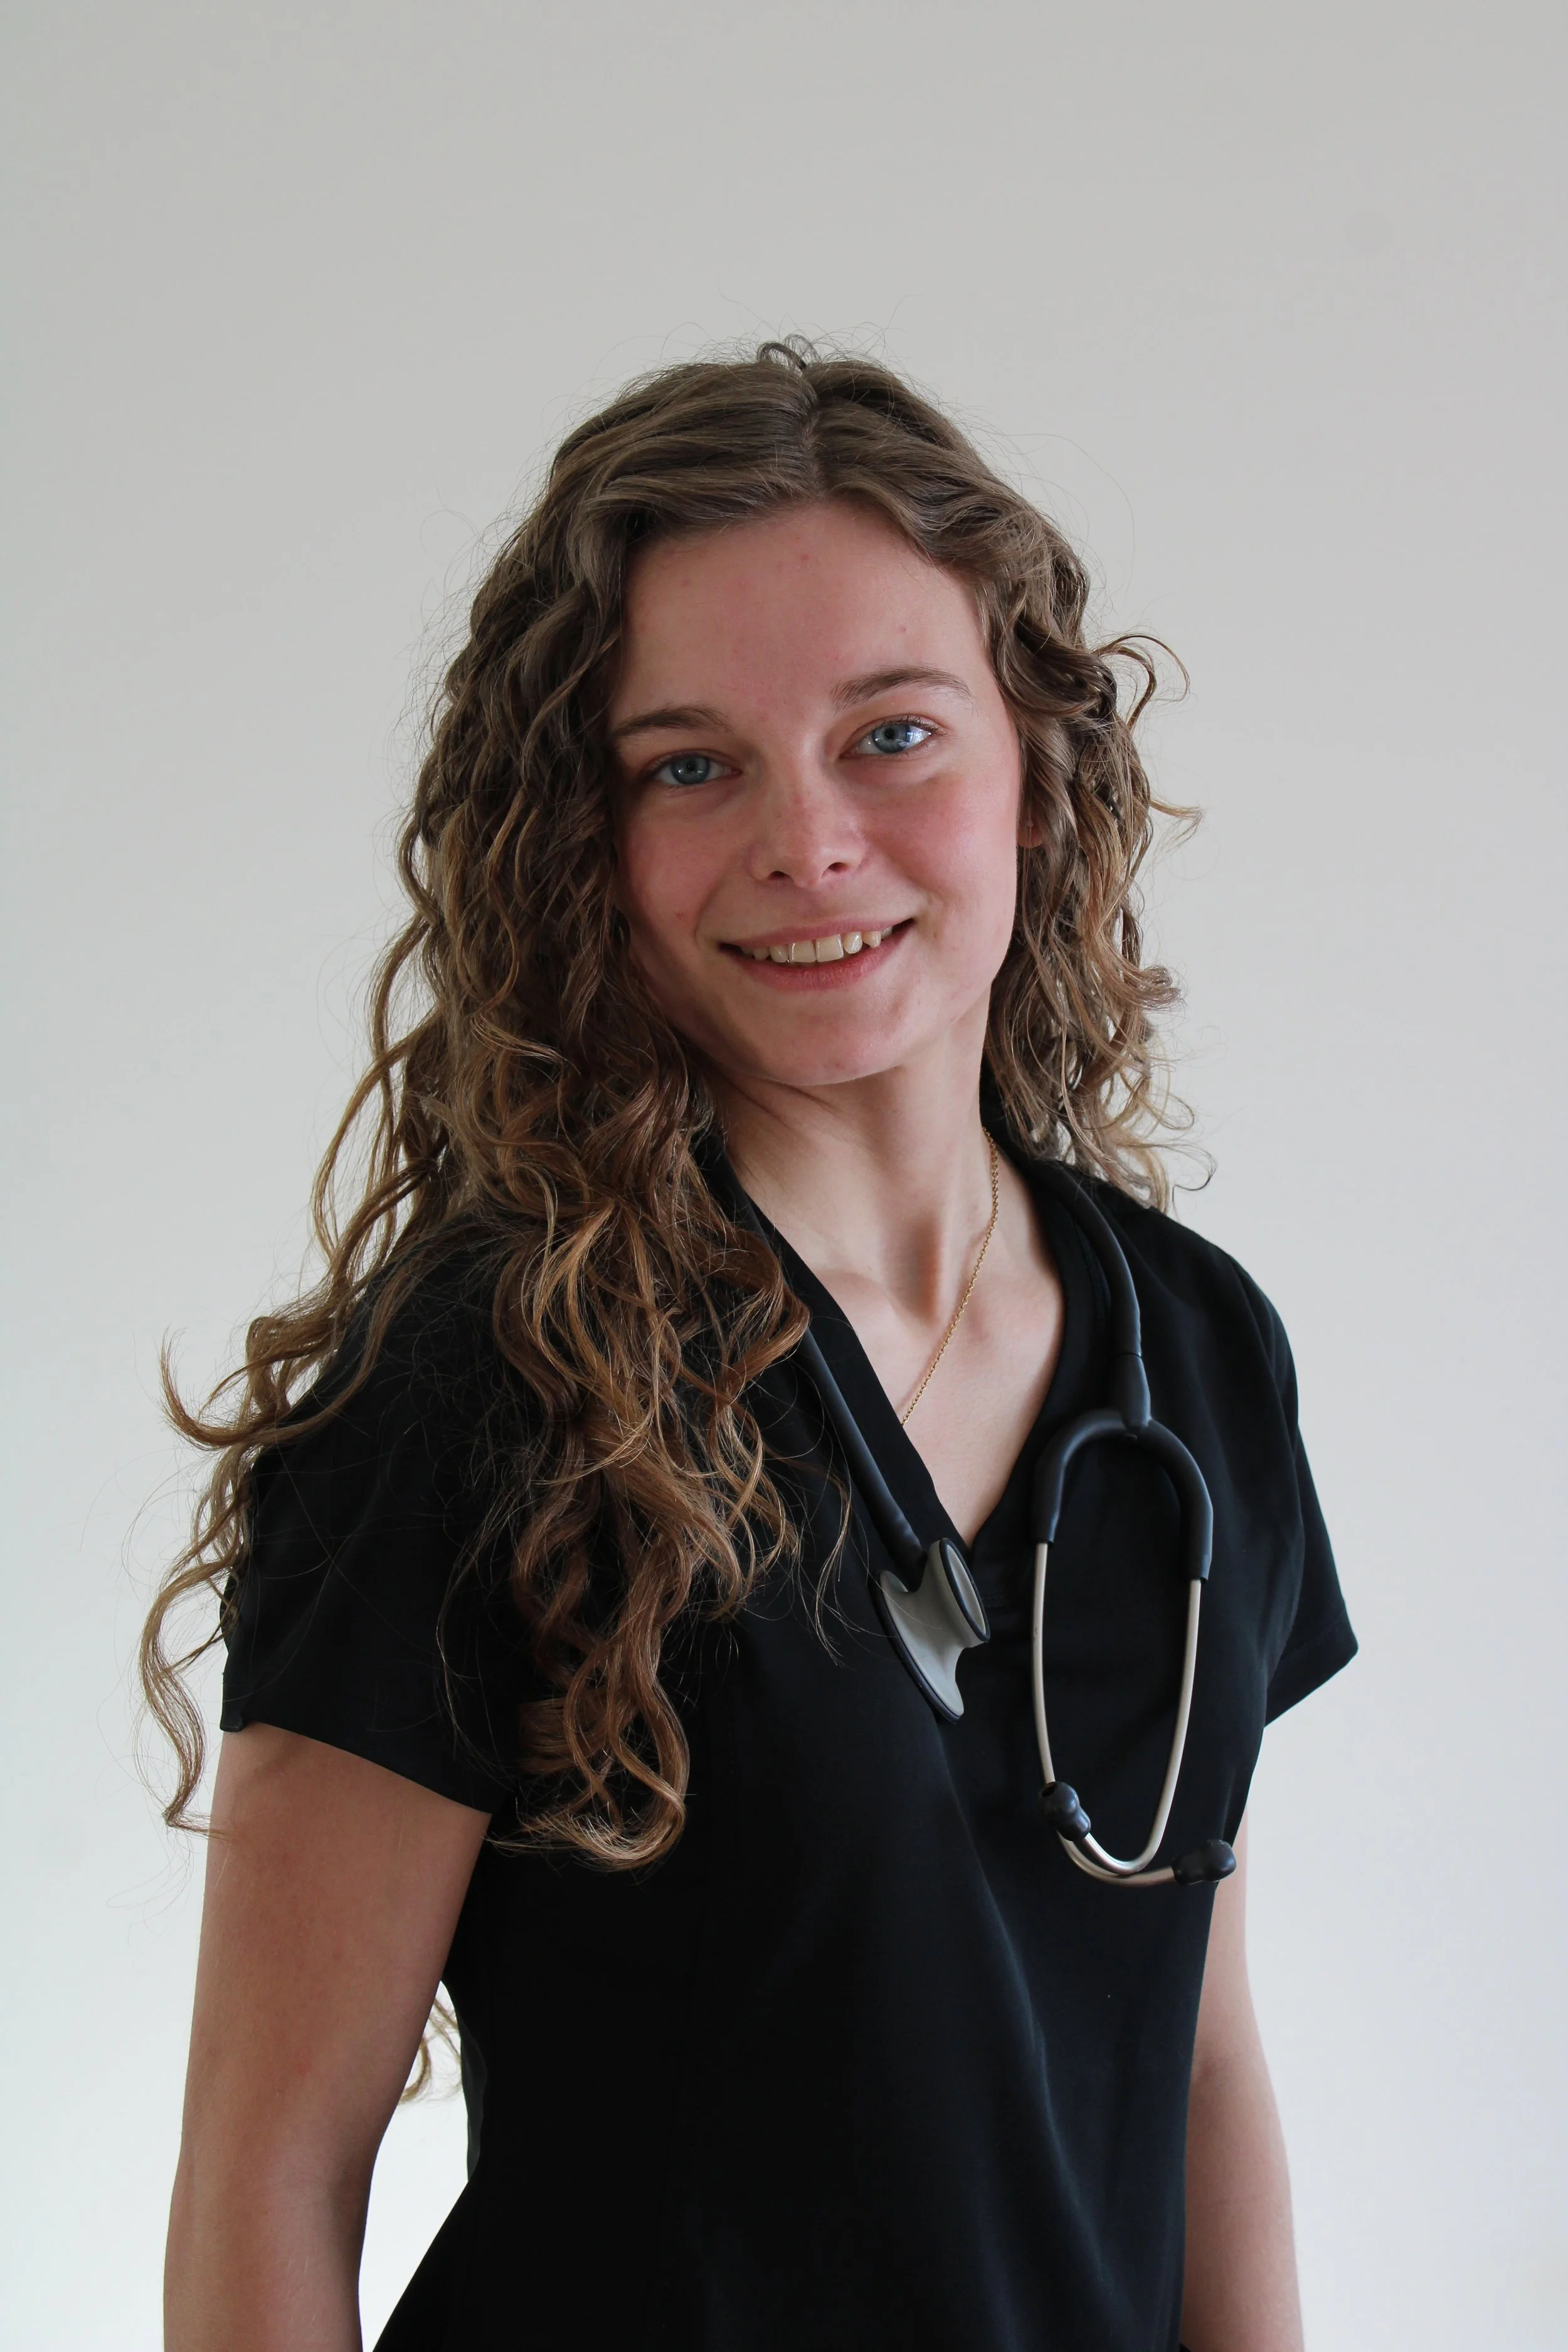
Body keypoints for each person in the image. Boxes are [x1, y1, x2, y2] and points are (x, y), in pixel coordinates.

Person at [147, 341, 1355, 2352]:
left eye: (889, 733)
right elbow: (275, 2157)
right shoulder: (487, 1377)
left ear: (1033, 769)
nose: (807, 839)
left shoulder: (1193, 1357)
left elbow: (1194, 2059)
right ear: (583, 842)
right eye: (689, 763)